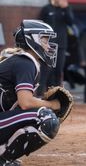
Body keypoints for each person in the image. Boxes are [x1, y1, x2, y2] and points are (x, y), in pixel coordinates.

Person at [0, 20, 61, 166]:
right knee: (45, 118)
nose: (48, 45)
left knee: (42, 113)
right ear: (32, 40)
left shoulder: (22, 61)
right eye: (45, 40)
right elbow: (26, 103)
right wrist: (52, 104)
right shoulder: (25, 63)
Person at [38, 0, 74, 95]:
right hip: (48, 45)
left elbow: (71, 22)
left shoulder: (66, 9)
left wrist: (66, 8)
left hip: (61, 45)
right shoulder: (47, 9)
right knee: (46, 70)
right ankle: (40, 95)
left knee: (58, 70)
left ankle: (55, 96)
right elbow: (41, 26)